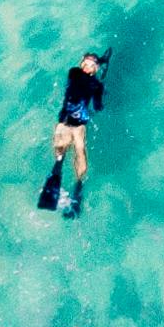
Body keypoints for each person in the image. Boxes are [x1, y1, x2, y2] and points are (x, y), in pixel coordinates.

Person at [35, 48, 108, 217]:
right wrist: (100, 87)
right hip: (65, 122)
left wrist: (100, 92)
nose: (87, 66)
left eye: (91, 64)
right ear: (81, 63)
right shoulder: (74, 73)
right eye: (86, 63)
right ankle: (57, 177)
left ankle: (78, 187)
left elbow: (97, 105)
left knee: (80, 154)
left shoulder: (96, 85)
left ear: (95, 68)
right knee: (60, 153)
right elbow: (95, 103)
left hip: (79, 126)